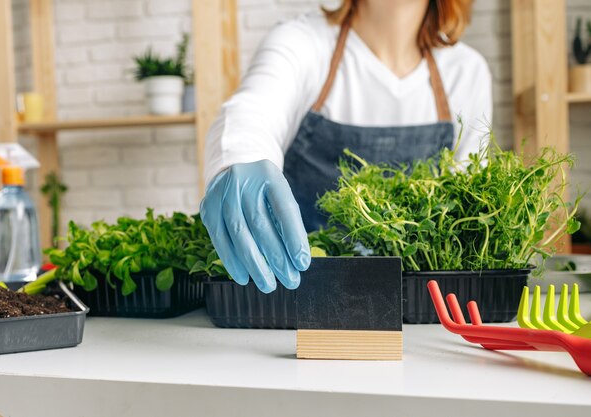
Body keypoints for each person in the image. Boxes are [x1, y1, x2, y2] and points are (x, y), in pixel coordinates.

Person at [200, 0, 491, 294]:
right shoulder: (303, 43)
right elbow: (253, 109)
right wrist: (241, 156)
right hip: (301, 294)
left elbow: (466, 205)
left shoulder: (466, 72)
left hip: (425, 306)